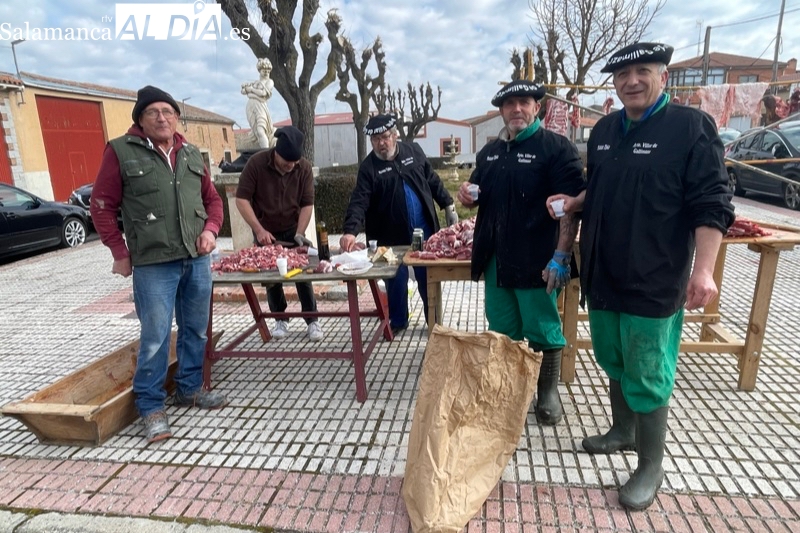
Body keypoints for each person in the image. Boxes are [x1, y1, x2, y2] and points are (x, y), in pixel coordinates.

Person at [546, 42, 734, 510]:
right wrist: (576, 204)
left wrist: (704, 271)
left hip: (655, 276)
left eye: (643, 71)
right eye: (623, 73)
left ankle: (651, 463)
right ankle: (623, 430)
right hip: (604, 271)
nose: (632, 80)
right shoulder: (606, 129)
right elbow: (604, 186)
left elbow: (712, 203)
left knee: (648, 370)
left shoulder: (691, 128)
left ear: (663, 76)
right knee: (613, 356)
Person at [91, 85, 227, 444]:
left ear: (177, 118)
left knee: (196, 329)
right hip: (153, 264)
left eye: (168, 111)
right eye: (153, 112)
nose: (162, 117)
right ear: (140, 119)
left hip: (196, 259)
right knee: (154, 338)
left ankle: (189, 388)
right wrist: (119, 251)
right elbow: (101, 205)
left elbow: (212, 201)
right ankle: (151, 408)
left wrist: (212, 231)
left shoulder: (192, 154)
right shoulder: (120, 151)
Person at [456, 80, 585, 427]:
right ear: (501, 110)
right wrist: (466, 195)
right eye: (509, 103)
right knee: (502, 328)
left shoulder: (556, 149)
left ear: (537, 107)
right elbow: (477, 193)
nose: (516, 109)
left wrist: (561, 256)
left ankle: (547, 393)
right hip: (496, 259)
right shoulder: (491, 153)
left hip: (537, 258)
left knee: (542, 326)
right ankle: (509, 391)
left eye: (524, 102)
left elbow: (571, 207)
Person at [340, 115, 458, 335]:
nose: (381, 143)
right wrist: (350, 231)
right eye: (375, 139)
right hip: (390, 235)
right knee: (396, 279)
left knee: (427, 277)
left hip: (423, 231)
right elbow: (359, 200)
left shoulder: (413, 151)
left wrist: (448, 205)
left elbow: (432, 180)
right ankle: (398, 321)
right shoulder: (369, 168)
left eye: (385, 137)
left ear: (394, 135)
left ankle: (434, 322)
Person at [235, 125, 323, 342]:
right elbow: (241, 199)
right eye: (286, 163)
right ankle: (280, 318)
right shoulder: (256, 164)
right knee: (272, 277)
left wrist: (300, 232)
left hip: (293, 230)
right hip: (266, 230)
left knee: (302, 274)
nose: (290, 166)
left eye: (294, 163)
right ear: (276, 153)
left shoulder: (303, 168)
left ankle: (312, 320)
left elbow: (307, 204)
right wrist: (259, 229)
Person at [242, 57, 276, 149]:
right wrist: (245, 86)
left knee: (261, 131)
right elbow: (244, 92)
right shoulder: (256, 83)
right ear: (259, 70)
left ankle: (266, 153)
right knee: (257, 133)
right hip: (251, 107)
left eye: (268, 71)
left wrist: (251, 91)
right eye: (264, 71)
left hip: (261, 107)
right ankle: (261, 152)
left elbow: (264, 93)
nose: (266, 73)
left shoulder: (270, 82)